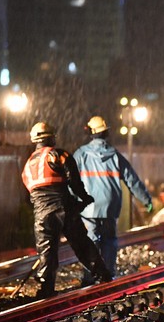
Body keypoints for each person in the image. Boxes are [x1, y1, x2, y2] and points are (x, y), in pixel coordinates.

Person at [21, 122, 113, 299]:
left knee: (47, 252)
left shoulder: (28, 165)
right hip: (65, 208)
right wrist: (85, 198)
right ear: (51, 137)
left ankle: (46, 290)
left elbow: (30, 195)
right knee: (82, 244)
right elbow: (74, 182)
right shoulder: (59, 155)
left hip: (42, 214)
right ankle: (104, 276)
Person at [74, 116, 153, 281]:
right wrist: (146, 200)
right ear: (106, 132)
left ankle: (90, 276)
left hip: (88, 207)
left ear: (90, 132)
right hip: (110, 205)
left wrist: (71, 202)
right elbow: (132, 180)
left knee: (90, 241)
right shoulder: (115, 155)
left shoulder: (81, 154)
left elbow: (71, 180)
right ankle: (108, 274)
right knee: (109, 240)